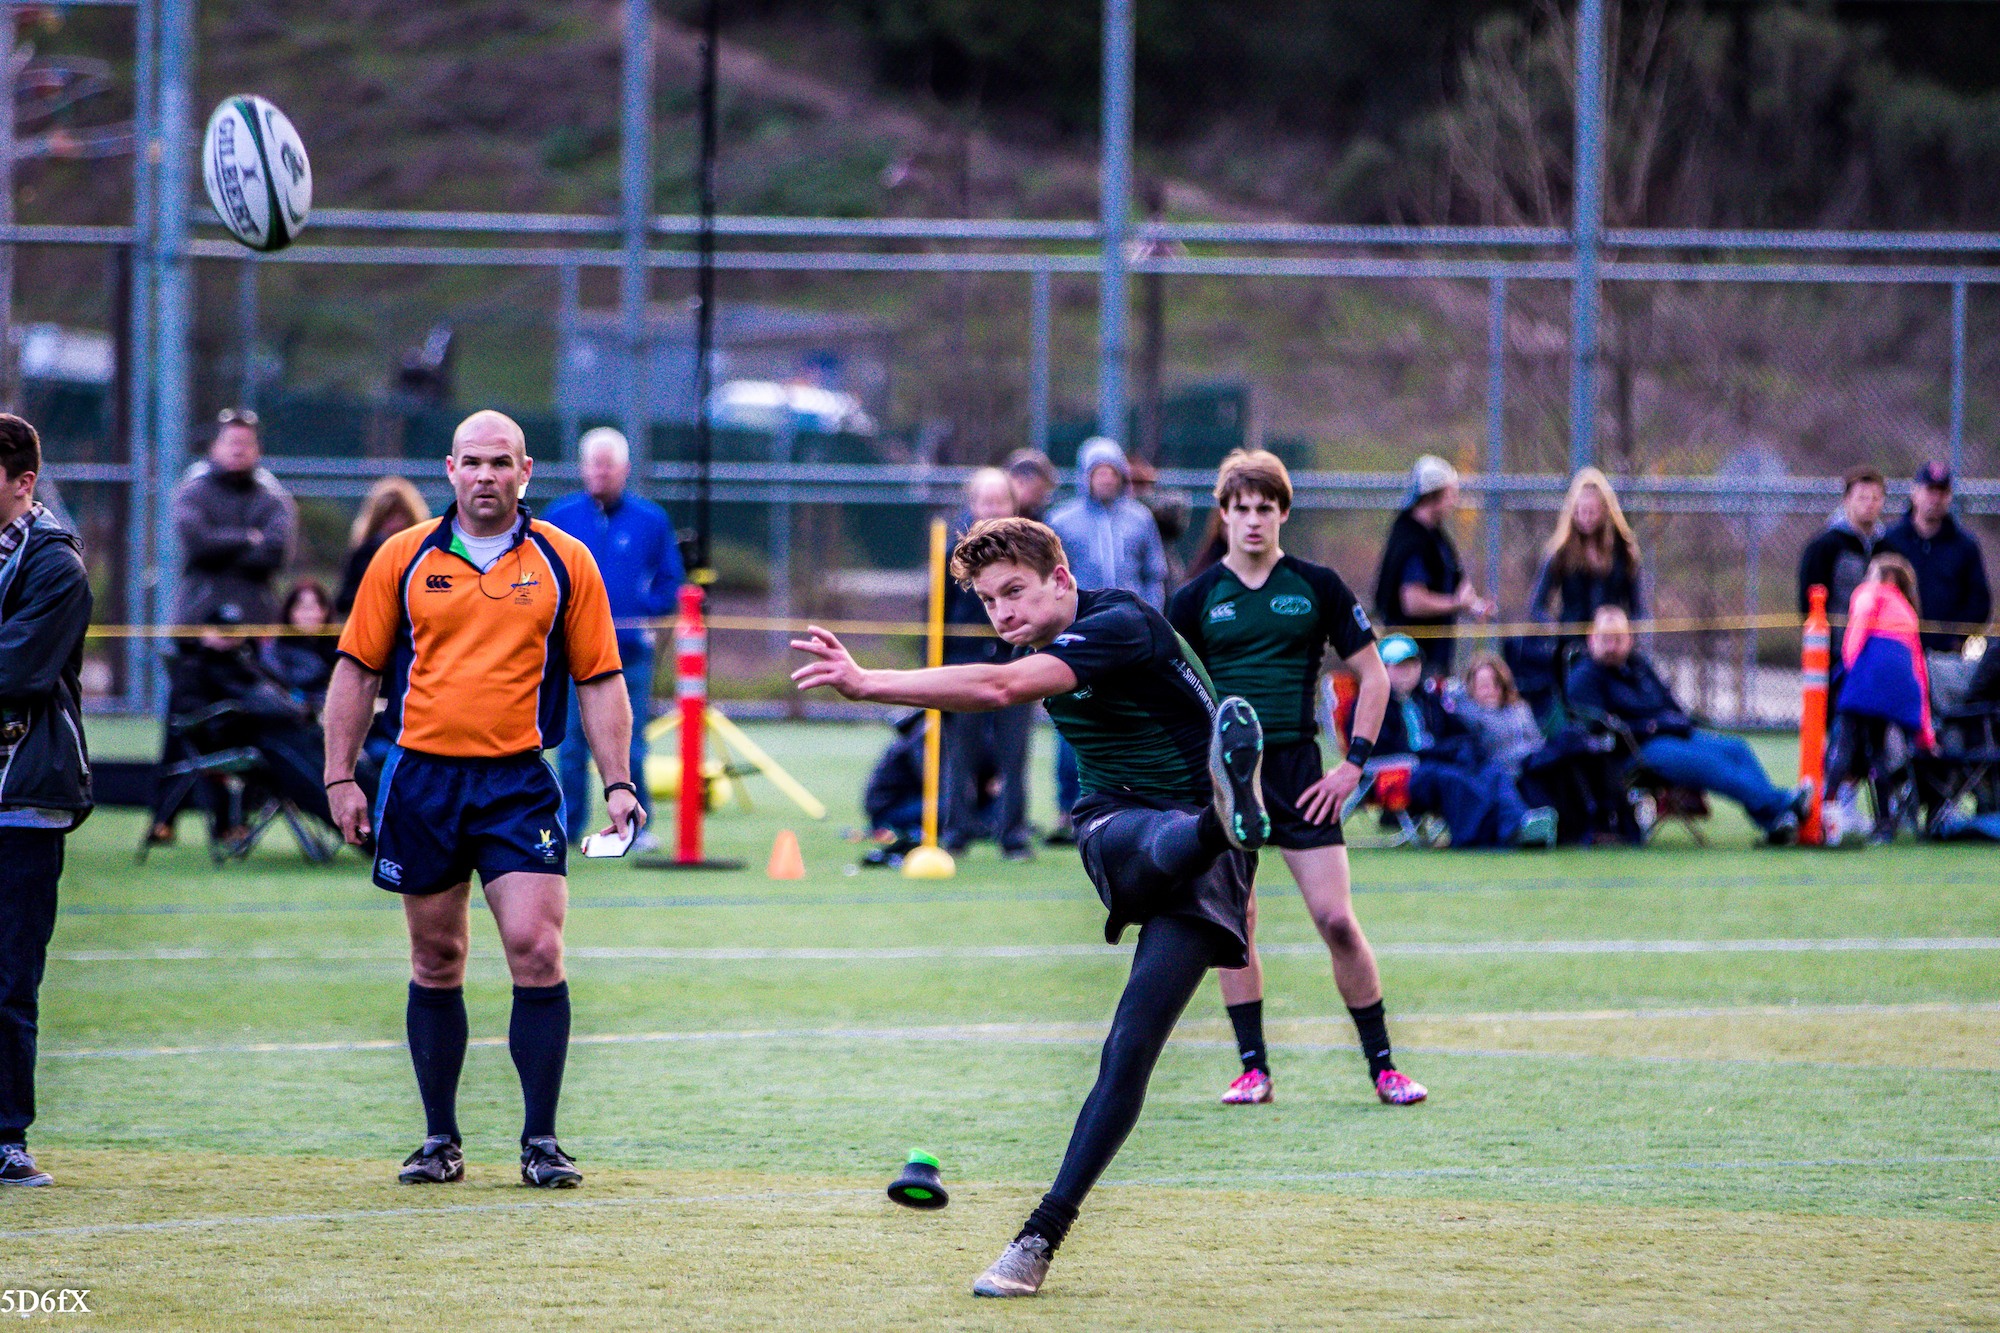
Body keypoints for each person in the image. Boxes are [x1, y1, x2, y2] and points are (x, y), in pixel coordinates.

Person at [791, 515, 1269, 1299]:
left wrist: (868, 681)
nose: (1002, 612)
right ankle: (1223, 815)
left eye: (1014, 591)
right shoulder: (1046, 637)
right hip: (1129, 821)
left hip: (1204, 854)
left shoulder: (1118, 623)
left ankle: (1037, 1238)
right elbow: (996, 676)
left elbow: (999, 687)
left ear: (1063, 578)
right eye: (987, 600)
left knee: (1129, 1049)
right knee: (1143, 849)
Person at [322, 409, 642, 1190]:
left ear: (525, 472)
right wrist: (337, 776)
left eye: (502, 462)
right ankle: (440, 1138)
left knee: (535, 947)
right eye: (473, 462)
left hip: (517, 783)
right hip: (421, 780)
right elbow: (357, 672)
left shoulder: (566, 561)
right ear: (451, 469)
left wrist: (620, 781)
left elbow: (602, 679)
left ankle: (541, 1139)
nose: (487, 476)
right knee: (437, 957)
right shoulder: (402, 557)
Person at [1167, 449, 1425, 1110]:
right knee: (1238, 924)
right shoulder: (1195, 599)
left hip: (1301, 774)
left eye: (1265, 508)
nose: (1253, 520)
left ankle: (1385, 1068)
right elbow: (1167, 695)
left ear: (1284, 512)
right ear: (1222, 515)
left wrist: (1353, 764)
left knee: (1337, 919)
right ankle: (1253, 1069)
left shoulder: (1317, 585)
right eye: (1240, 508)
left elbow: (1373, 675)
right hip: (1227, 782)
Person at [0, 414, 92, 1187]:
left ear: (23, 482)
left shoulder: (55, 564)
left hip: (22, 794)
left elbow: (20, 669)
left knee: (8, 974)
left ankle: (6, 1135)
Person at [541, 427, 684, 853]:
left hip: (629, 656)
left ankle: (635, 828)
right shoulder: (559, 517)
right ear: (583, 468)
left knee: (633, 745)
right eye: (595, 463)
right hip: (569, 657)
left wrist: (645, 608)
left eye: (610, 463)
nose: (602, 472)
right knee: (568, 748)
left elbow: (671, 580)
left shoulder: (651, 519)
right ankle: (569, 824)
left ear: (624, 469)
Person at [1567, 606, 1809, 844]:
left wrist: (1675, 721)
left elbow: (1669, 702)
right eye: (1605, 638)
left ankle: (1776, 822)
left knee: (1737, 749)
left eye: (1618, 638)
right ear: (1591, 638)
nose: (1611, 646)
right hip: (1635, 749)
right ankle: (1782, 804)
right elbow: (1598, 729)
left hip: (1672, 734)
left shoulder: (1637, 666)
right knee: (1711, 764)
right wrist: (1653, 726)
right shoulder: (1584, 676)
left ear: (1629, 639)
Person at [1044, 437, 1169, 842]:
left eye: (1112, 472)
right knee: (1074, 724)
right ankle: (1068, 808)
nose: (1105, 480)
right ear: (1085, 476)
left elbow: (1155, 573)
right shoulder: (1061, 521)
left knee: (1130, 718)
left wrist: (1151, 619)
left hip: (1131, 638)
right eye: (1098, 472)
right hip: (1080, 636)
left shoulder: (1139, 519)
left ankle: (1131, 804)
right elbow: (1049, 580)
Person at [149, 604, 338, 843]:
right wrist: (245, 714)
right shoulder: (192, 666)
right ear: (205, 632)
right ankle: (182, 823)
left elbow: (281, 692)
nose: (228, 637)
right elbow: (189, 720)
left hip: (282, 733)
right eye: (221, 631)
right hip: (232, 742)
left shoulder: (248, 661)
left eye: (233, 631)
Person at [1375, 635, 1556, 849]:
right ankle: (1481, 838)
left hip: (1435, 765)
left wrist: (1462, 747)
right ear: (1383, 668)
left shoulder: (1427, 699)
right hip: (1403, 773)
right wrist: (1437, 751)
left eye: (1412, 664)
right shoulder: (1373, 703)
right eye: (1399, 666)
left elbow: (1456, 731)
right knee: (1455, 777)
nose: (1408, 671)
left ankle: (1519, 824)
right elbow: (1379, 747)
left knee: (1492, 770)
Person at [940, 468, 1032, 858]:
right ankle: (957, 831)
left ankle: (1012, 834)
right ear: (973, 505)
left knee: (1015, 754)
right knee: (961, 753)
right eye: (986, 501)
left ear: (1014, 505)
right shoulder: (953, 558)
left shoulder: (1032, 557)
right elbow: (938, 612)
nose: (993, 508)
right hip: (966, 666)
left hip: (1016, 664)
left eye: (1001, 500)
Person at [1825, 554, 1933, 846]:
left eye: (1871, 572)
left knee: (1843, 744)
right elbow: (1918, 665)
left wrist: (1849, 663)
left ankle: (1826, 814)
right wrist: (1926, 729)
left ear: (1884, 578)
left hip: (1867, 677)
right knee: (1878, 754)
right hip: (1897, 688)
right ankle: (1884, 826)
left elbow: (1858, 625)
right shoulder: (1908, 611)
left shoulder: (1870, 593)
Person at [1520, 467, 1643, 713]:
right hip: (1572, 648)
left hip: (1613, 648)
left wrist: (1626, 637)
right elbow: (1536, 606)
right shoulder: (1561, 551)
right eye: (1579, 511)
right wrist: (1558, 630)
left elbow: (1639, 609)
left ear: (1605, 511)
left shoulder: (1624, 550)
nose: (1585, 517)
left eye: (1591, 511)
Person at [172, 407, 296, 627]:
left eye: (246, 443)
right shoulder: (193, 492)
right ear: (214, 448)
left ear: (258, 450)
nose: (238, 450)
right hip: (198, 621)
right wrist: (248, 538)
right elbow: (196, 545)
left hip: (257, 622)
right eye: (232, 442)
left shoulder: (272, 498)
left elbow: (276, 554)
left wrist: (216, 552)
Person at [1373, 454, 1493, 677]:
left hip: (1437, 655)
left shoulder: (1435, 536)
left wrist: (1472, 604)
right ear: (1432, 496)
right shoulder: (1412, 541)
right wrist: (1457, 603)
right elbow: (1413, 601)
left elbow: (1455, 579)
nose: (1454, 501)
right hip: (1411, 662)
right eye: (1450, 494)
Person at [1879, 461, 1991, 655]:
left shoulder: (1964, 545)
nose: (1936, 498)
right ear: (1914, 493)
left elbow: (1979, 600)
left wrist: (1957, 640)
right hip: (1898, 649)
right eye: (1930, 491)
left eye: (1942, 492)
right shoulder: (1890, 541)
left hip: (1946, 655)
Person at [1797, 466, 1886, 661]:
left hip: (1878, 652)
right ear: (1847, 499)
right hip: (1836, 653)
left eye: (1876, 498)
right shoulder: (1825, 546)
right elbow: (1809, 602)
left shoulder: (1889, 547)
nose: (1870, 504)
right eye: (1862, 497)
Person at [336, 476, 430, 617]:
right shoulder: (363, 554)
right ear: (377, 520)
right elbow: (343, 602)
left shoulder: (426, 554)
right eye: (389, 517)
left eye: (401, 516)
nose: (396, 524)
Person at [263, 581, 340, 715]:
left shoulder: (337, 646)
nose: (311, 615)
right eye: (303, 608)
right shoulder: (275, 648)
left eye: (317, 607)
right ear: (289, 611)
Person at [1004, 448, 1059, 523]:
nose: (1043, 497)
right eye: (1038, 490)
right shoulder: (998, 513)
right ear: (1019, 482)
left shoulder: (1034, 515)